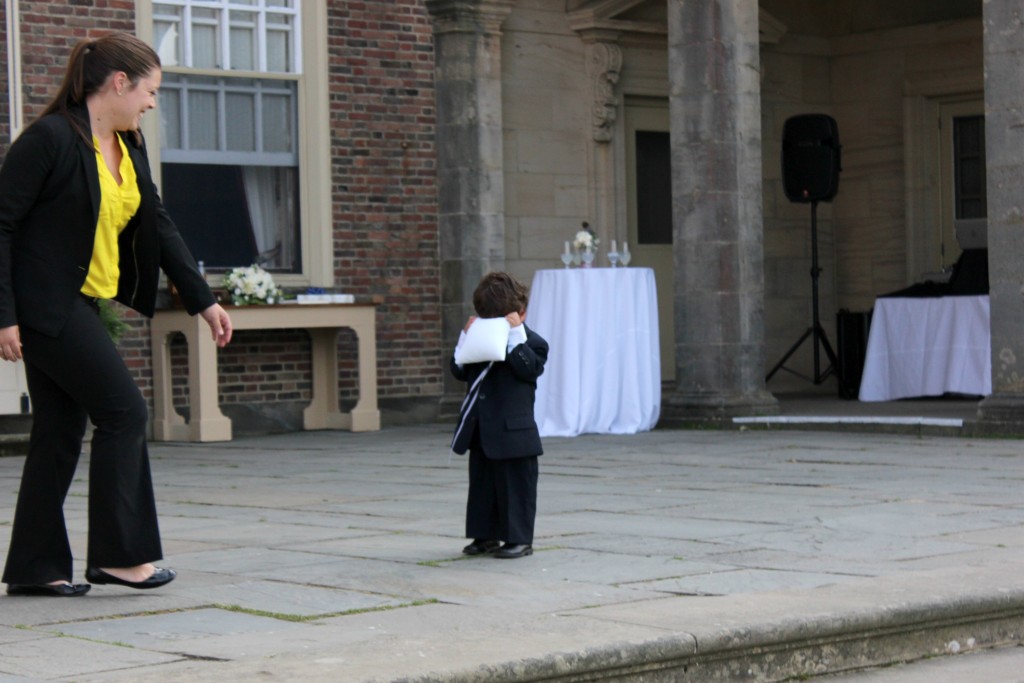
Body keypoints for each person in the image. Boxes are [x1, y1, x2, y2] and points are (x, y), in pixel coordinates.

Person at [0, 33, 233, 597]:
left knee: (59, 430)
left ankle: (35, 568)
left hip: (82, 303)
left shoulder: (129, 144)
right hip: (46, 305)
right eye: (151, 90)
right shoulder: (50, 139)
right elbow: (1, 226)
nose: (153, 103)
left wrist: (202, 298)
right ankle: (120, 557)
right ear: (119, 83)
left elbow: (156, 220)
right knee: (125, 412)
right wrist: (4, 314)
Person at [450, 272, 548, 559]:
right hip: (481, 425)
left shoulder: (533, 342)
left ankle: (519, 538)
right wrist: (465, 337)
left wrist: (516, 336)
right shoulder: (480, 340)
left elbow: (529, 369)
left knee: (516, 487)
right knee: (482, 485)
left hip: (514, 430)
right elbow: (459, 370)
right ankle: (485, 535)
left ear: (521, 313)